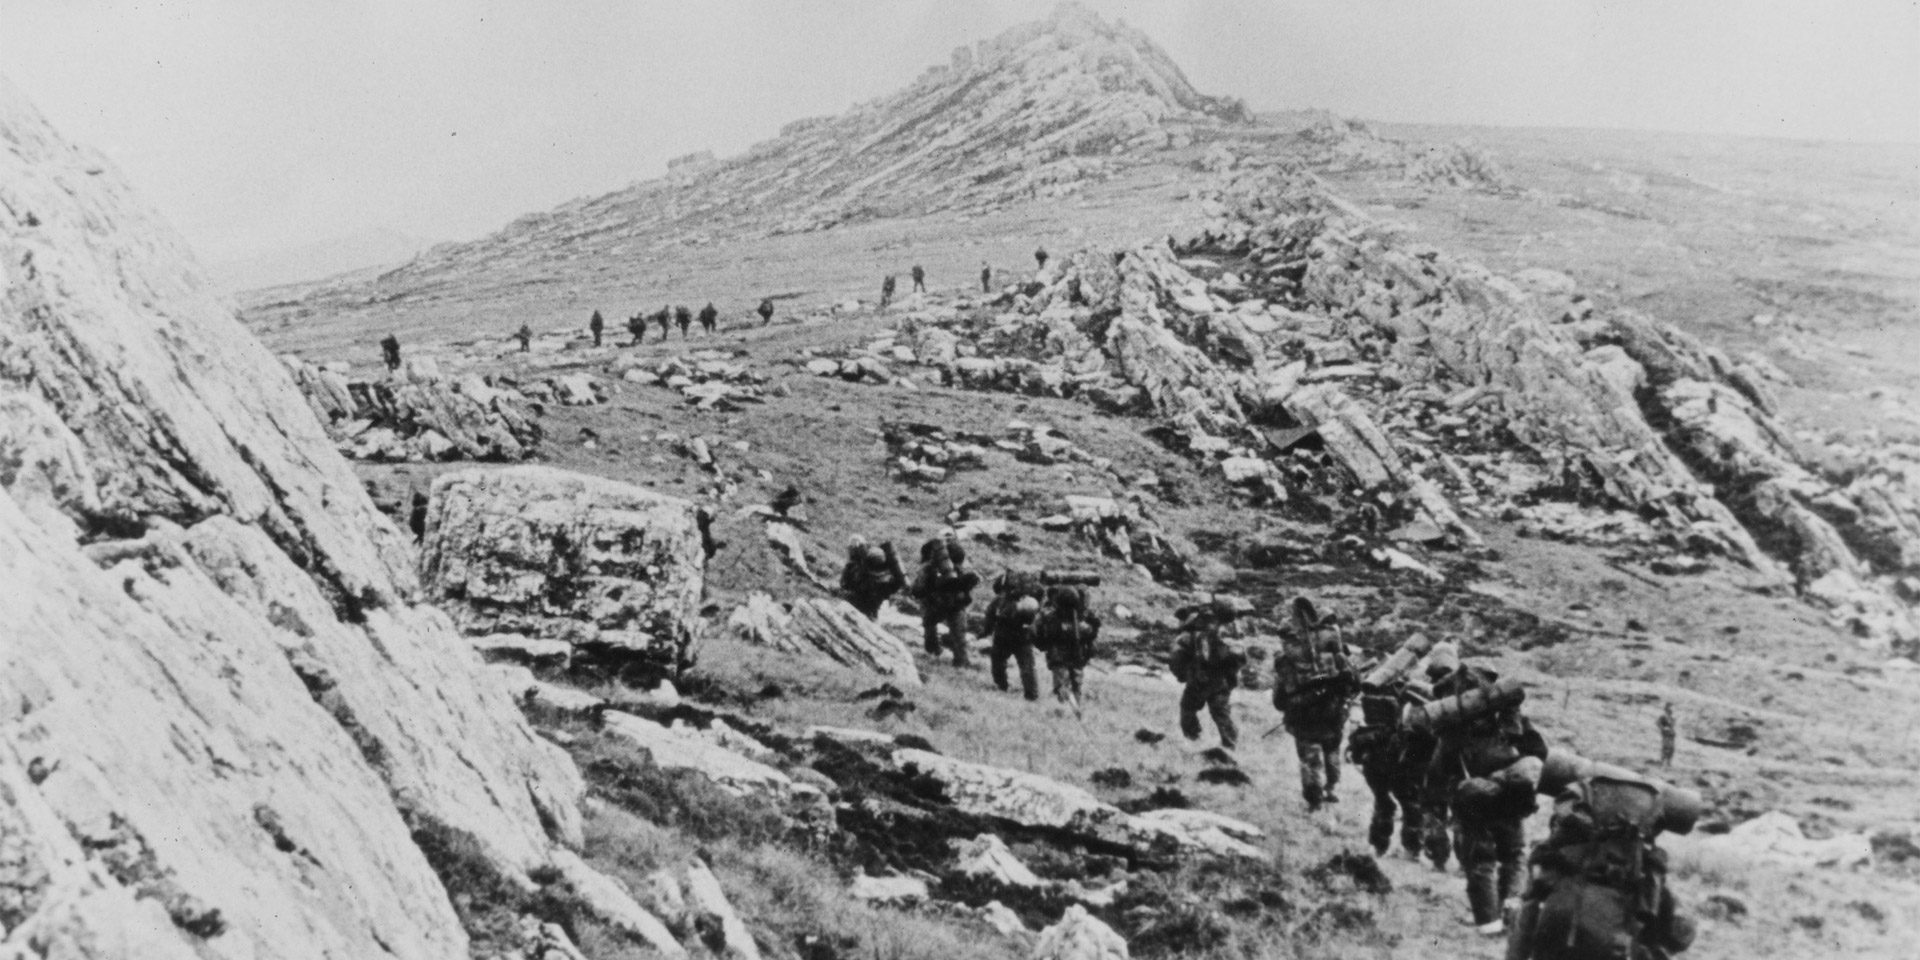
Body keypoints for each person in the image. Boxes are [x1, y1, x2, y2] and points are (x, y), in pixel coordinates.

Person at [1509, 776, 1697, 959]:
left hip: (1553, 927)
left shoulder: (1559, 848)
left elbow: (1528, 909)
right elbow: (1664, 921)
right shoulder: (1643, 860)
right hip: (1608, 938)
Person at [1425, 664, 1549, 936]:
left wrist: (1441, 800)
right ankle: (1512, 910)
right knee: (1514, 853)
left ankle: (1488, 923)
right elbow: (1539, 751)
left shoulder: (1452, 732)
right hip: (1511, 796)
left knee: (1479, 860)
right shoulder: (1509, 721)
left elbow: (1437, 772)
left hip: (1473, 799)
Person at [1272, 597, 1360, 811]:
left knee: (1309, 756)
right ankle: (1331, 788)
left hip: (1303, 713)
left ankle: (1314, 799)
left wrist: (1288, 707)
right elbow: (1354, 681)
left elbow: (1280, 697)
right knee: (1331, 750)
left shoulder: (1285, 659)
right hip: (1333, 710)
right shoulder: (1336, 653)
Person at [1169, 595, 1251, 751]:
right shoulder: (1230, 630)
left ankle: (1193, 740)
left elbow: (1177, 656)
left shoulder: (1191, 633)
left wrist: (1181, 675)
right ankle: (1231, 745)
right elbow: (1239, 658)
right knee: (1221, 714)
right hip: (1221, 680)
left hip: (1198, 679)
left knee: (1188, 709)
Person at [909, 532, 977, 666]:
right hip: (956, 603)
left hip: (935, 604)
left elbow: (917, 590)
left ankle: (934, 651)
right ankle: (961, 662)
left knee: (929, 626)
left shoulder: (928, 567)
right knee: (959, 635)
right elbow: (969, 583)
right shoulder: (958, 565)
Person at [1033, 583, 1100, 710]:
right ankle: (1075, 708)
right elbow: (1092, 633)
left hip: (1059, 654)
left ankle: (1066, 709)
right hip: (1077, 654)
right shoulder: (1085, 616)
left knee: (1062, 684)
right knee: (1076, 683)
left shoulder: (1051, 615)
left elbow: (1037, 632)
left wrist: (1043, 645)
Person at [981, 570, 1045, 701]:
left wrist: (986, 631)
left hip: (1002, 636)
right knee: (1027, 666)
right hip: (1023, 636)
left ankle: (1001, 685)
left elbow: (989, 615)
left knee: (998, 662)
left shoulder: (999, 600)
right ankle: (1032, 695)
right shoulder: (1028, 600)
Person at [839, 537, 905, 620]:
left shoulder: (856, 569)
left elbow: (844, 584)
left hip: (862, 607)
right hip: (868, 608)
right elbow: (895, 586)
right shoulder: (883, 580)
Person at [1657, 703, 1676, 768]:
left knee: (1671, 748)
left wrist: (1672, 731)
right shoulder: (1663, 717)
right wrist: (1663, 728)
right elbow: (1658, 723)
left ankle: (1668, 762)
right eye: (1669, 709)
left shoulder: (1671, 718)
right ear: (1666, 710)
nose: (1670, 711)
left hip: (1671, 735)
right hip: (1666, 734)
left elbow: (1672, 726)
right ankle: (1662, 762)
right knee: (1666, 748)